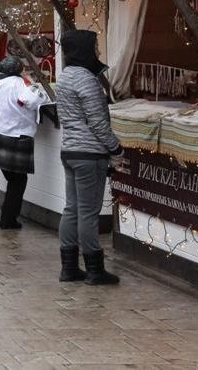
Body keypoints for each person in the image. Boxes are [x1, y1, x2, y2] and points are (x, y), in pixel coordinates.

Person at [56, 29, 124, 286]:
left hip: (70, 151)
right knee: (88, 212)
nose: (98, 51)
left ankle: (69, 267)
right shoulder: (86, 79)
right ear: (84, 49)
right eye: (95, 46)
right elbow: (97, 122)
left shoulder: (65, 77)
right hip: (89, 153)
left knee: (71, 209)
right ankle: (95, 268)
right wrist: (115, 148)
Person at [0, 56, 53, 230]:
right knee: (17, 180)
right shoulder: (21, 83)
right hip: (13, 135)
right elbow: (32, 100)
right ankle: (8, 219)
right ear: (20, 70)